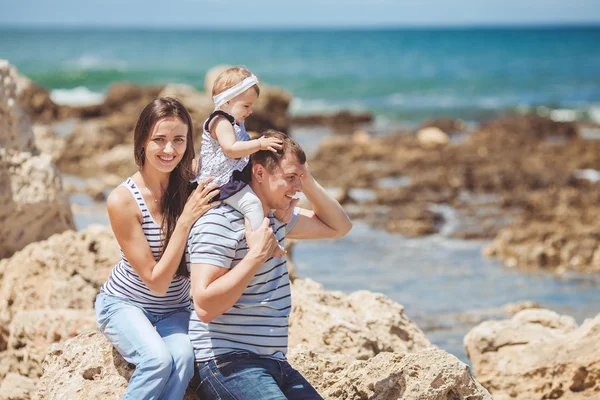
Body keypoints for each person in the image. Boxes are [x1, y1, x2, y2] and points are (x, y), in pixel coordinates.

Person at [188, 130, 352, 399]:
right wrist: (256, 256)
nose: (296, 187)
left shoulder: (276, 217)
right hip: (226, 362)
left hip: (275, 363)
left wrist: (305, 179)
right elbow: (205, 306)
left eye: (299, 178)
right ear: (260, 173)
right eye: (289, 178)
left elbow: (339, 226)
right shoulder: (219, 221)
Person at [94, 97, 221, 400]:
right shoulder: (123, 200)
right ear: (141, 142)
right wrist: (186, 219)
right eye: (159, 140)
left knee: (182, 359)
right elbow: (157, 281)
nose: (169, 150)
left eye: (178, 140)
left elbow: (237, 169)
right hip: (125, 305)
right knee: (157, 360)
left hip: (176, 310)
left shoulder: (193, 185)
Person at [194, 66, 286, 257]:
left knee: (257, 200)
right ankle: (258, 242)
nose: (250, 111)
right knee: (252, 205)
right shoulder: (220, 121)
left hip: (232, 174)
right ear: (227, 101)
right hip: (220, 182)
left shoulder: (234, 121)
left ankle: (266, 229)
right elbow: (231, 149)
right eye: (246, 106)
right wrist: (259, 144)